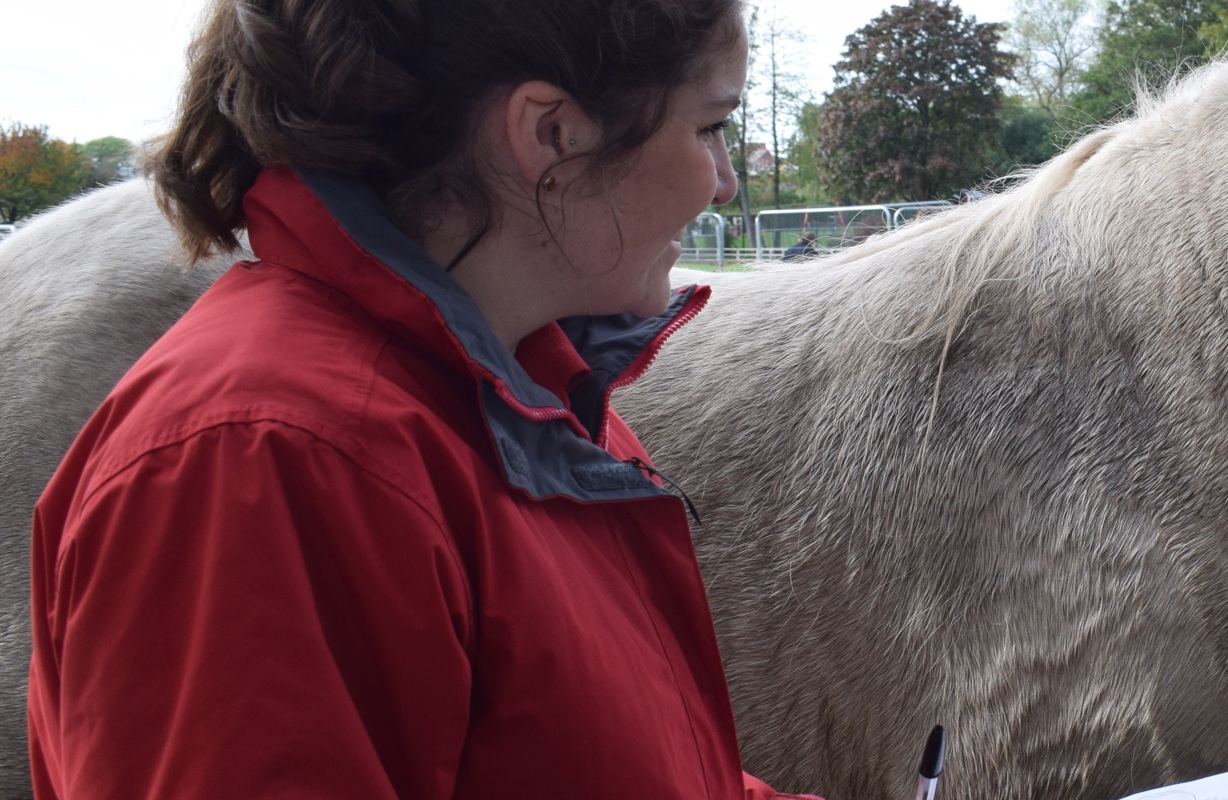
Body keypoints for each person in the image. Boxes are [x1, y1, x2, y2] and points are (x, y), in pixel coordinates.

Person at [27, 1, 820, 798]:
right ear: (551, 135)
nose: (722, 183)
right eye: (710, 127)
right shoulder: (272, 459)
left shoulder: (515, 390)